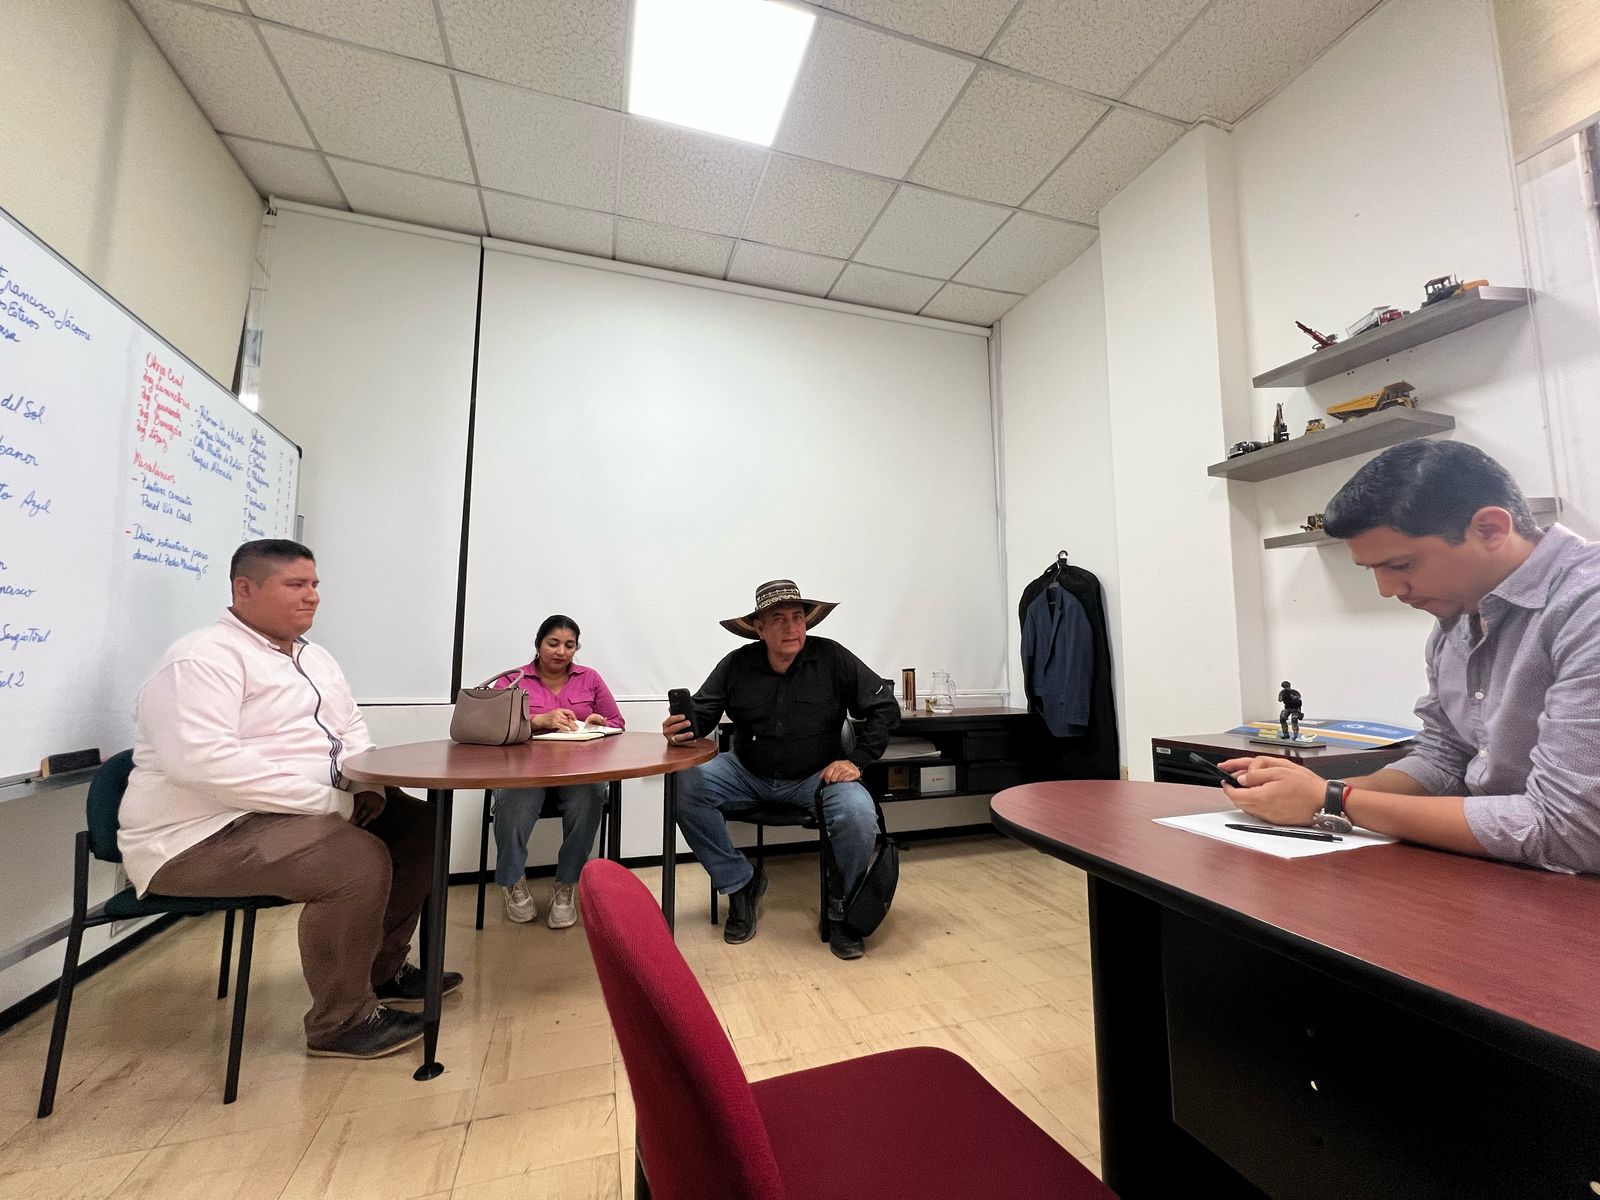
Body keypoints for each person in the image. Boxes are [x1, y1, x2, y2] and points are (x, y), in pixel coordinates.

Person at [119, 539, 462, 1059]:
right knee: (352, 860)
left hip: (295, 815)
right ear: (244, 589)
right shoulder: (201, 659)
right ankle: (341, 1022)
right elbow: (204, 763)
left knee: (419, 827)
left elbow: (350, 727)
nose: (312, 596)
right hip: (203, 835)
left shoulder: (314, 657)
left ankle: (380, 970)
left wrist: (367, 785)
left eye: (315, 584)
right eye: (295, 585)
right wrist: (330, 804)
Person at [1220, 441, 1600, 875]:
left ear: (1490, 529)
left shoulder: (1586, 606)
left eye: (1400, 565)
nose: (1388, 590)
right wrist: (1304, 790)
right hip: (1511, 875)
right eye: (1373, 570)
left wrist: (1333, 800)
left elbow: (1570, 830)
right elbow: (1444, 759)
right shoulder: (1458, 617)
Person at [663, 579, 898, 960]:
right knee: (683, 783)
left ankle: (844, 910)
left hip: (816, 777)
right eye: (778, 619)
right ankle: (740, 882)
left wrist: (857, 760)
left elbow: (884, 708)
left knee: (857, 811)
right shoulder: (736, 664)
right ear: (759, 627)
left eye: (798, 617)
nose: (791, 628)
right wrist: (681, 728)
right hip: (746, 772)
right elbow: (701, 718)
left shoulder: (833, 657)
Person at [487, 614, 623, 928]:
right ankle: (513, 880)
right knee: (513, 800)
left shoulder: (590, 678)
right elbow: (492, 726)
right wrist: (536, 721)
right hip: (524, 772)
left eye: (569, 645)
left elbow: (617, 722)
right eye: (553, 643)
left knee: (592, 794)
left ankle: (566, 884)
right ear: (538, 644)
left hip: (577, 771)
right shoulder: (513, 680)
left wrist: (598, 723)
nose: (561, 651)